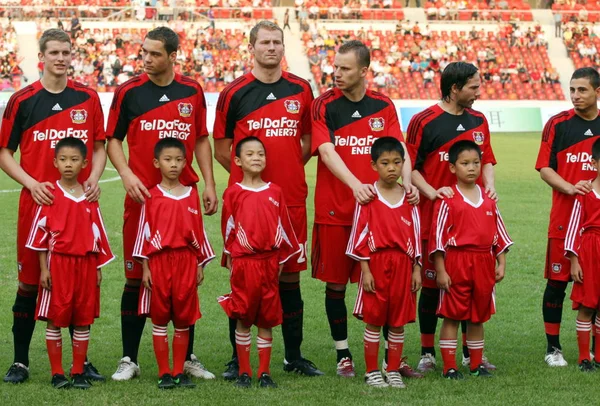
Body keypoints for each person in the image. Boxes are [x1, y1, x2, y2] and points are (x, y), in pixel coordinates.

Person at [106, 26, 218, 381]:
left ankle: (185, 357)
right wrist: (126, 174)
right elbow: (112, 140)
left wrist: (209, 184)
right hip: (142, 200)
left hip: (183, 198)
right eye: (144, 52)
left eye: (155, 54)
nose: (147, 59)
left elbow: (201, 139)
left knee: (185, 279)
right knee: (136, 277)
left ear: (173, 56)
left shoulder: (191, 90)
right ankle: (129, 358)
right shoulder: (129, 92)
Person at [213, 20, 322, 378]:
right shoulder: (235, 93)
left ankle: (293, 356)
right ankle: (236, 360)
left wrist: (288, 168)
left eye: (277, 42)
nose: (272, 48)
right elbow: (222, 148)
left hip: (290, 200)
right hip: (247, 206)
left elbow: (307, 142)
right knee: (244, 281)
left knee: (290, 279)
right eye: (265, 43)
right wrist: (250, 179)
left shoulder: (302, 89)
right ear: (252, 48)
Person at [0, 28, 107, 384]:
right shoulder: (23, 100)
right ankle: (20, 362)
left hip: (78, 208)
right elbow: (4, 152)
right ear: (41, 57)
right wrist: (31, 183)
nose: (61, 58)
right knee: (31, 284)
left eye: (66, 52)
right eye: (54, 53)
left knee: (79, 285)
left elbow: (100, 146)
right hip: (38, 209)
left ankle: (80, 363)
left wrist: (94, 177)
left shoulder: (87, 98)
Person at [311, 40, 418, 377]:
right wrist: (355, 185)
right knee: (336, 285)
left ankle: (393, 358)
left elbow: (397, 147)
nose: (336, 73)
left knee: (386, 285)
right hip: (336, 211)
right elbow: (326, 150)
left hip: (379, 213)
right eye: (335, 66)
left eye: (344, 68)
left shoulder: (382, 105)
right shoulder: (323, 105)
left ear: (363, 71)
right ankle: (344, 354)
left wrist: (409, 182)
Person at [406, 61, 497, 373]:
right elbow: (411, 167)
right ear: (454, 88)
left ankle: (472, 356)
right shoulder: (424, 121)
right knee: (433, 287)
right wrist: (432, 193)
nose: (478, 91)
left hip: (472, 217)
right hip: (435, 219)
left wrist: (491, 189)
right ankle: (428, 352)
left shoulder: (479, 120)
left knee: (471, 289)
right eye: (473, 86)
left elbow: (487, 161)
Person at [26, 137, 114, 389]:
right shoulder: (49, 194)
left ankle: (78, 371)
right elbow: (39, 235)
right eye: (63, 159)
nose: (68, 164)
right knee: (56, 316)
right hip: (58, 265)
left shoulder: (89, 195)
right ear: (55, 162)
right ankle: (57, 374)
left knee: (83, 317)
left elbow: (98, 232)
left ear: (84, 163)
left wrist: (97, 266)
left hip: (86, 264)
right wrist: (44, 269)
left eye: (74, 160)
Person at [218, 137, 301, 389]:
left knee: (267, 318)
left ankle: (264, 373)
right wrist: (232, 260)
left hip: (269, 263)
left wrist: (281, 262)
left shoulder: (275, 191)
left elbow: (284, 227)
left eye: (261, 154)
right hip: (244, 263)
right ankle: (244, 371)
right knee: (243, 316)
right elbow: (228, 229)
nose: (256, 158)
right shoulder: (233, 192)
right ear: (238, 161)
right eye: (250, 154)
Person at [134, 138, 215, 389]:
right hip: (159, 262)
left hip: (186, 262)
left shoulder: (192, 194)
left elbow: (199, 232)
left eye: (179, 160)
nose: (174, 165)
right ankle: (164, 373)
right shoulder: (151, 195)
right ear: (157, 163)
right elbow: (143, 233)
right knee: (159, 318)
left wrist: (200, 263)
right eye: (168, 160)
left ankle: (179, 371)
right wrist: (146, 267)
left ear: (185, 163)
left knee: (182, 318)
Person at [430, 140, 512, 379]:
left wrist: (501, 262)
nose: (472, 168)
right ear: (453, 168)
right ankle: (449, 367)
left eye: (476, 163)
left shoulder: (488, 198)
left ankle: (476, 365)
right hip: (457, 262)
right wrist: (441, 270)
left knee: (478, 316)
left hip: (483, 262)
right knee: (452, 316)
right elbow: (437, 238)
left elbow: (500, 233)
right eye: (465, 163)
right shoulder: (447, 198)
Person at [536, 67, 600, 367]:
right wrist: (571, 188)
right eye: (572, 89)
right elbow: (544, 168)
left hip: (596, 224)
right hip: (565, 220)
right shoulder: (558, 124)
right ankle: (553, 348)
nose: (575, 96)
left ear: (597, 92)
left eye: (582, 90)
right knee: (558, 281)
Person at [346, 137, 422, 388]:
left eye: (397, 162)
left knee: (398, 320)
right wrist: (364, 269)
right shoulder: (368, 196)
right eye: (385, 162)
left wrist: (417, 267)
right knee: (374, 318)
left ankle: (392, 369)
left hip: (403, 265)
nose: (392, 167)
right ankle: (371, 371)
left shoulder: (410, 198)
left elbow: (416, 235)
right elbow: (359, 233)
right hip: (376, 263)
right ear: (373, 165)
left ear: (403, 164)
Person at [565, 138, 600, 372]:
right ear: (594, 163)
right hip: (590, 251)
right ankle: (583, 358)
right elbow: (573, 228)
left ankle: (598, 356)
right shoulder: (585, 192)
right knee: (587, 306)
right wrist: (575, 261)